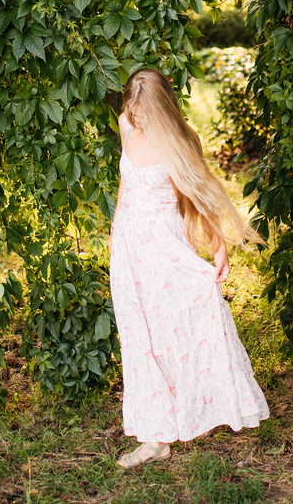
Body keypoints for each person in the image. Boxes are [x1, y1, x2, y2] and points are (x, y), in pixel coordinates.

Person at [108, 66, 269, 469]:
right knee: (137, 339)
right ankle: (154, 437)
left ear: (160, 109)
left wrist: (219, 250)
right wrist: (114, 235)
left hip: (164, 249)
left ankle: (200, 406)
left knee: (177, 327)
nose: (137, 116)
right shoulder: (127, 124)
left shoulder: (177, 142)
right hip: (128, 252)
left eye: (144, 111)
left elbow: (199, 198)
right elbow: (124, 188)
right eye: (132, 107)